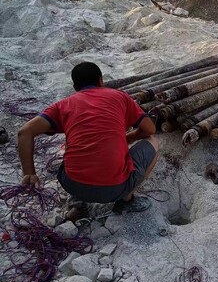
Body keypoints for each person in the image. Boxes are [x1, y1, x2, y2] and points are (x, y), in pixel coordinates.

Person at [17, 62, 159, 221]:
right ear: (101, 81)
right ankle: (126, 199)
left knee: (74, 141)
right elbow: (150, 129)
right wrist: (128, 138)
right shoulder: (119, 96)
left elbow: (24, 132)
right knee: (153, 141)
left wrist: (29, 173)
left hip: (72, 184)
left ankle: (78, 201)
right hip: (114, 189)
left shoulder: (63, 105)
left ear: (75, 87)